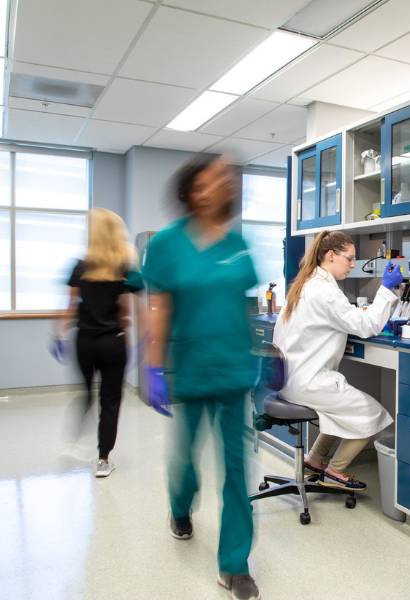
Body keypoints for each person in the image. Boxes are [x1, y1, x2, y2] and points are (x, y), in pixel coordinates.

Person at [141, 155, 261, 600]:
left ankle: (235, 565)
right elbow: (161, 307)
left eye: (227, 180)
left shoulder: (238, 242)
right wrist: (153, 366)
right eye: (212, 179)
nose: (222, 186)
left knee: (236, 470)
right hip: (192, 368)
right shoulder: (170, 243)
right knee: (187, 460)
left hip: (233, 371)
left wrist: (261, 359)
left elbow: (242, 306)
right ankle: (179, 505)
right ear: (192, 189)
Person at [273, 230, 403, 490]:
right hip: (307, 381)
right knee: (372, 414)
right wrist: (386, 289)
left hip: (288, 379)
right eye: (350, 259)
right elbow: (367, 326)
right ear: (330, 256)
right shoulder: (325, 292)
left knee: (342, 409)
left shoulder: (306, 284)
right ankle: (335, 471)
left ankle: (316, 459)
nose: (353, 265)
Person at [54, 208, 143, 477]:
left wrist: (58, 334)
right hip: (112, 343)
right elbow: (127, 311)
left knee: (86, 392)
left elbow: (70, 307)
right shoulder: (123, 267)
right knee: (111, 401)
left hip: (85, 342)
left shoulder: (80, 266)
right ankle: (103, 459)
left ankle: (75, 435)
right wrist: (134, 338)